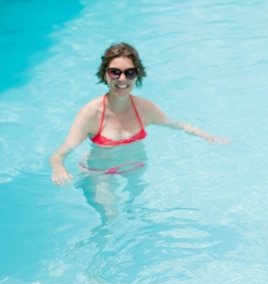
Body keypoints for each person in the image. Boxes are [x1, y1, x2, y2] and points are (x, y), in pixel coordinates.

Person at [49, 42, 229, 187]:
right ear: (105, 74)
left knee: (136, 212)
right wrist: (59, 168)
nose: (122, 79)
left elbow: (174, 124)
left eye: (129, 72)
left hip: (135, 166)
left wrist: (207, 136)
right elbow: (58, 155)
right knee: (111, 218)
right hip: (99, 172)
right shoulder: (91, 113)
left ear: (137, 75)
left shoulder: (144, 109)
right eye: (115, 72)